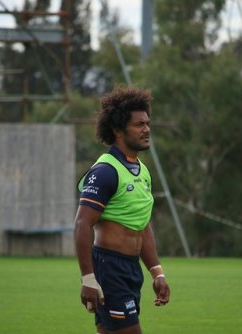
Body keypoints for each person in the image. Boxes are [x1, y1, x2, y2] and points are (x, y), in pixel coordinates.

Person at [74, 86, 170, 334]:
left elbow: (142, 226)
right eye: (139, 125)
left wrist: (156, 272)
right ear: (118, 130)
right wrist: (88, 279)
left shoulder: (143, 171)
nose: (146, 129)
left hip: (130, 269)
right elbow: (82, 224)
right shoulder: (106, 171)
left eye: (148, 123)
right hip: (109, 269)